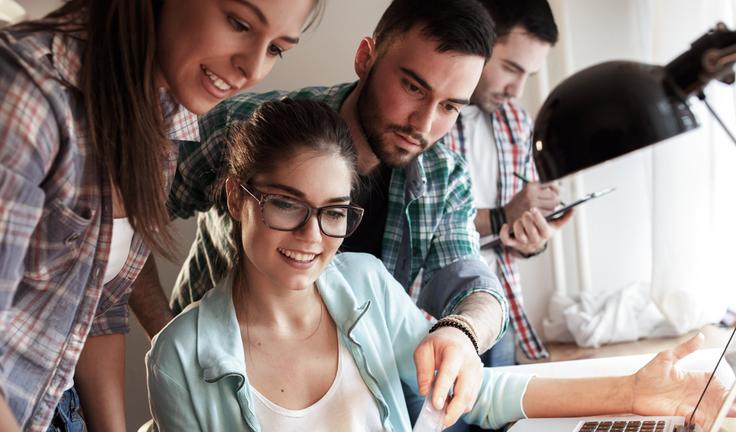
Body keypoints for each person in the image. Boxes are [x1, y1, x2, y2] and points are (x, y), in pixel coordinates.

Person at [147, 97, 729, 432]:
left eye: (333, 212)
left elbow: (475, 391)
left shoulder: (364, 285)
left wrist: (633, 390)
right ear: (234, 198)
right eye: (285, 204)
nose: (311, 236)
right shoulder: (178, 359)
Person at [133, 0, 503, 427]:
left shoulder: (444, 175)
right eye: (414, 89)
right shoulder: (248, 129)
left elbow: (473, 285)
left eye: (450, 107)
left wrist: (463, 332)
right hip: (223, 392)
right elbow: (123, 217)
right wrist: (171, 338)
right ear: (366, 58)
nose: (423, 123)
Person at [0, 0, 323, 430]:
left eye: (276, 49)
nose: (252, 69)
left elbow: (100, 305)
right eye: (239, 23)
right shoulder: (19, 94)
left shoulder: (164, 120)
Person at [445, 0, 572, 367]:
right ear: (478, 42)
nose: (517, 90)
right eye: (511, 68)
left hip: (501, 310)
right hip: (430, 318)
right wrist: (502, 215)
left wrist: (533, 236)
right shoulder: (425, 120)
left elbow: (512, 240)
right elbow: (419, 228)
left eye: (528, 76)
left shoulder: (517, 121)